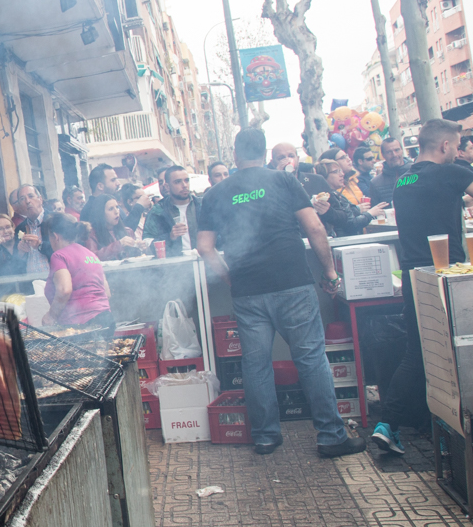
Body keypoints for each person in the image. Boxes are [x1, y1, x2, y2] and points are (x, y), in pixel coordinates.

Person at [196, 128, 366, 458]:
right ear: (264, 152)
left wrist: (230, 278)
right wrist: (330, 271)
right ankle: (331, 437)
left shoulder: (216, 193)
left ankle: (264, 437)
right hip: (292, 283)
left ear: (234, 155)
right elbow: (314, 227)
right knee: (311, 359)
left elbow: (205, 247)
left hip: (247, 289)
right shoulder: (284, 181)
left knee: (256, 365)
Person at [371, 119, 473, 455]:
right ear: (445, 146)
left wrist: (463, 205)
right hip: (447, 276)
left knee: (420, 352)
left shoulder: (404, 179)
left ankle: (391, 424)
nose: (458, 149)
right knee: (458, 353)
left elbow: (437, 204)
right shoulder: (453, 172)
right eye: (457, 143)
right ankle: (456, 434)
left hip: (413, 276)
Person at [39, 213, 113, 329]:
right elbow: (106, 293)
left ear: (55, 236)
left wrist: (51, 316)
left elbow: (64, 290)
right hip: (106, 320)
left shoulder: (59, 256)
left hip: (81, 326)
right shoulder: (91, 255)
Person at [313, 160, 387, 237]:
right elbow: (351, 225)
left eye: (340, 171)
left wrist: (358, 209)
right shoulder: (326, 199)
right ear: (323, 177)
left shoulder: (338, 195)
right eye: (335, 171)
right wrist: (370, 214)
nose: (342, 174)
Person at [147, 166, 201, 257]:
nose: (184, 185)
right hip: (175, 266)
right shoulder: (158, 211)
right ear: (167, 186)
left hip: (204, 263)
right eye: (177, 182)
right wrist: (170, 237)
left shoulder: (202, 205)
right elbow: (148, 245)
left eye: (186, 180)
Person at [82, 194, 144, 261]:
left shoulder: (128, 231)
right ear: (101, 213)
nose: (116, 211)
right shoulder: (91, 234)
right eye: (111, 209)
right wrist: (118, 245)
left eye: (117, 207)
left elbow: (135, 258)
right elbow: (92, 258)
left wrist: (139, 248)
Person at [13, 184, 50, 272]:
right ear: (20, 206)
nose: (27, 201)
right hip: (31, 281)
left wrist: (40, 245)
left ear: (40, 199)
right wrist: (20, 252)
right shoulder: (20, 228)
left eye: (31, 196)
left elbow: (64, 250)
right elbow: (16, 264)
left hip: (53, 280)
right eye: (22, 199)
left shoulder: (55, 220)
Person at [370, 137, 411, 206]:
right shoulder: (375, 183)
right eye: (389, 152)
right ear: (383, 155)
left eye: (397, 150)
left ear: (402, 151)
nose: (394, 155)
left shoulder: (417, 172)